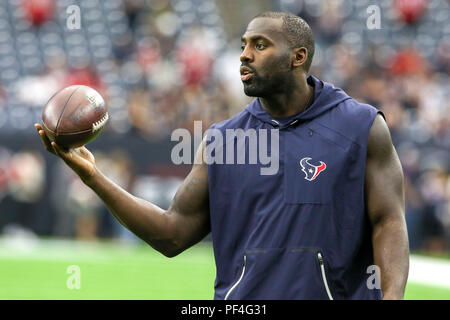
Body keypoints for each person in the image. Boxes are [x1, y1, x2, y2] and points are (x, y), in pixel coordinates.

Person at [35, 12, 409, 300]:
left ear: (298, 57)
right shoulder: (222, 141)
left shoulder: (361, 126)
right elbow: (171, 234)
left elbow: (388, 221)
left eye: (260, 45)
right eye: (244, 45)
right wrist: (92, 176)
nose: (245, 56)